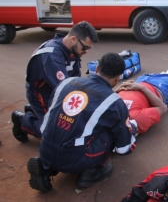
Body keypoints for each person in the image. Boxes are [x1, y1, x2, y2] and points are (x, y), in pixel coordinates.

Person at [27, 52, 138, 192]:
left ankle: (46, 168)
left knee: (70, 125)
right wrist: (133, 127)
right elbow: (123, 148)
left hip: (45, 148)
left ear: (97, 68)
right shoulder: (115, 103)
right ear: (118, 78)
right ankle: (91, 171)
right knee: (109, 132)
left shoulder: (67, 83)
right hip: (74, 160)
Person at [11, 21, 99, 143]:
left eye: (89, 48)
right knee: (53, 135)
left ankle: (35, 111)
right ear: (73, 39)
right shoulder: (52, 55)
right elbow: (64, 89)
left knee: (70, 120)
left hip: (54, 90)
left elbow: (73, 79)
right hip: (40, 93)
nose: (86, 51)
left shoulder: (72, 48)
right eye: (85, 47)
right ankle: (22, 120)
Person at [116, 59, 168, 134]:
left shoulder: (109, 111)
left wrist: (116, 91)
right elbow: (163, 108)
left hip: (142, 81)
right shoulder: (136, 119)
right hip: (159, 88)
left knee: (161, 75)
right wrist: (142, 88)